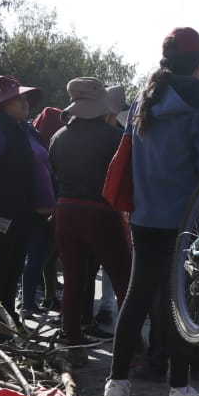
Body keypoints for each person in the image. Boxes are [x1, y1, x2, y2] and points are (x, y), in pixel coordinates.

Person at [103, 27, 199, 396]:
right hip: (186, 221)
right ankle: (179, 389)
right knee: (179, 303)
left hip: (143, 215)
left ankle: (116, 382)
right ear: (197, 65)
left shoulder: (146, 98)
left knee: (136, 297)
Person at [48, 77, 132, 366]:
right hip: (101, 213)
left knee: (73, 281)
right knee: (123, 281)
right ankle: (134, 350)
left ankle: (73, 345)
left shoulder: (58, 137)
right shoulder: (113, 137)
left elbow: (53, 177)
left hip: (65, 212)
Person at [0, 75, 55, 327]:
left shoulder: (27, 129)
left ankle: (7, 314)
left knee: (15, 263)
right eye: (19, 99)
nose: (25, 103)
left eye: (25, 99)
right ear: (3, 104)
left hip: (23, 211)